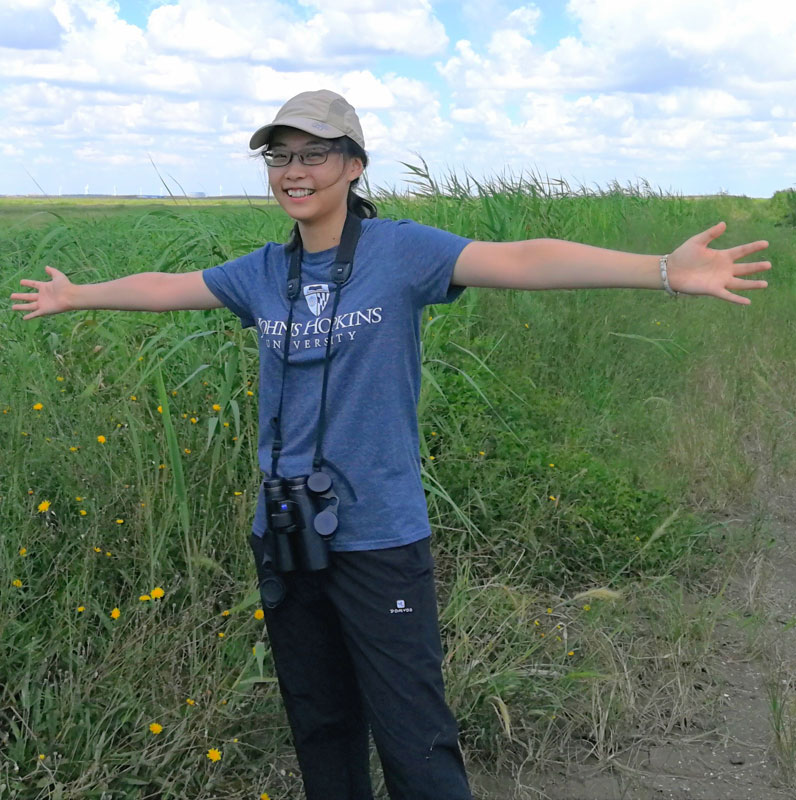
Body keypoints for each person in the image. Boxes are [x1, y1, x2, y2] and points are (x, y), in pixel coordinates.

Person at [10, 90, 771, 800]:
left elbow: (520, 259)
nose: (295, 171)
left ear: (354, 165)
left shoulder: (401, 253)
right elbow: (167, 285)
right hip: (283, 534)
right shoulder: (264, 272)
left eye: (314, 154)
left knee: (414, 736)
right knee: (320, 722)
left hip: (377, 536)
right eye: (280, 156)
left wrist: (664, 270)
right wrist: (77, 294)